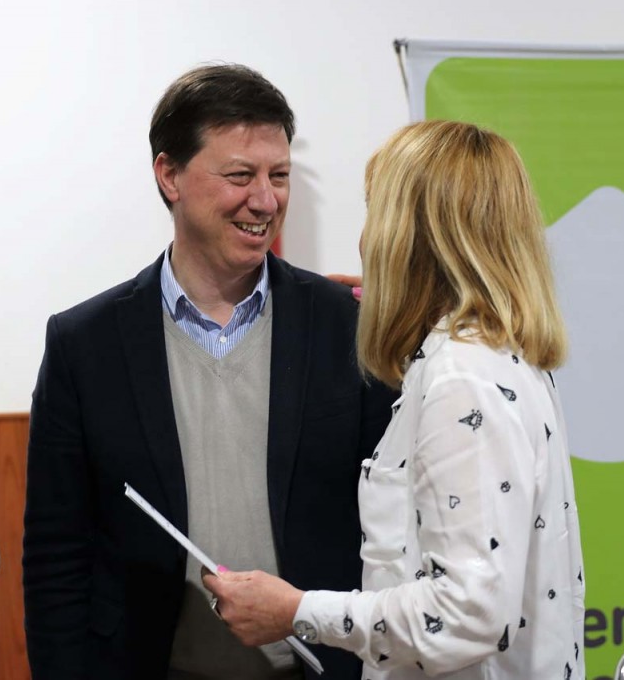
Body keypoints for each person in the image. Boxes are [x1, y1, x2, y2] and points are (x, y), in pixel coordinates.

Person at [22, 63, 396, 680]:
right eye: (240, 176)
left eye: (279, 176)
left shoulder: (347, 326)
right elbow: (56, 557)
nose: (265, 200)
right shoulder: (84, 344)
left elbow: (394, 529)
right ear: (169, 175)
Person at [203, 120, 586, 680]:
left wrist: (297, 611)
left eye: (374, 213)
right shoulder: (493, 358)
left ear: (412, 236)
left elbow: (466, 615)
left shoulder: (462, 381)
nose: (365, 240)